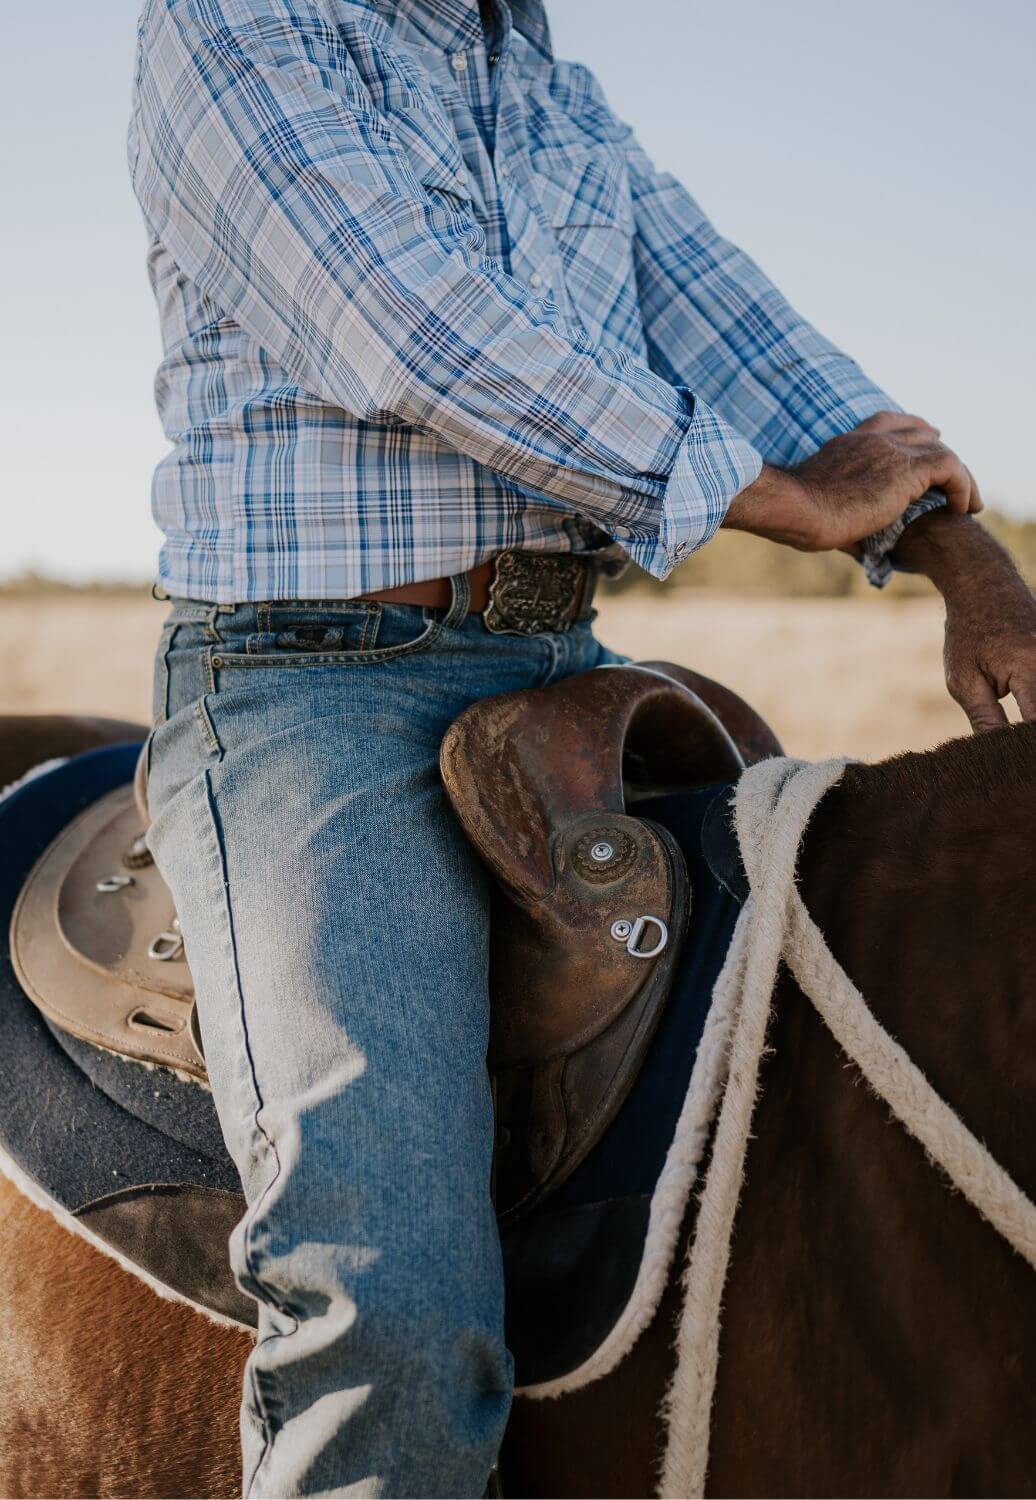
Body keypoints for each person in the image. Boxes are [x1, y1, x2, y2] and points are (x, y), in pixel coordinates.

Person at [128, 1, 1036, 1493]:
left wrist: (963, 551)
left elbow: (735, 326)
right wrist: (771, 499)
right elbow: (411, 331)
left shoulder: (547, 88)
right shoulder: (240, 23)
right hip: (312, 687)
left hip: (565, 670)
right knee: (385, 1304)